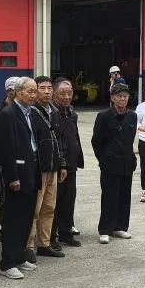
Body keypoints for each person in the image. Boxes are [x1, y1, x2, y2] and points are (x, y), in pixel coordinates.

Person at [0, 77, 41, 280]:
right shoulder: (8, 114)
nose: (33, 95)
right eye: (30, 91)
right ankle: (7, 262)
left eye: (35, 91)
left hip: (31, 171)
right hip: (17, 175)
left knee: (26, 218)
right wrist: (12, 176)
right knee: (13, 220)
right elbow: (6, 149)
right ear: (18, 92)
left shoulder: (30, 112)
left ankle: (20, 255)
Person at [27, 76, 67, 260]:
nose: (46, 91)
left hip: (53, 168)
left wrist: (62, 164)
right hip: (38, 169)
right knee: (34, 210)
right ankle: (29, 246)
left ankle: (44, 244)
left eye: (49, 88)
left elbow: (59, 141)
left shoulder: (55, 112)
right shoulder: (31, 112)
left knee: (49, 207)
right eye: (42, 88)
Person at [92, 83, 137, 245]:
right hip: (110, 164)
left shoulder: (133, 116)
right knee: (109, 197)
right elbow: (96, 141)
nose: (122, 99)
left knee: (124, 196)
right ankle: (105, 230)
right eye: (119, 96)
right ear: (112, 98)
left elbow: (130, 139)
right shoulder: (103, 116)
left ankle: (120, 227)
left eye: (125, 96)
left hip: (127, 163)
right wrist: (103, 160)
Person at [51, 78, 84, 248]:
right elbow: (57, 141)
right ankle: (51, 236)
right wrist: (62, 164)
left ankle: (66, 233)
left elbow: (74, 138)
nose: (67, 96)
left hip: (71, 164)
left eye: (69, 93)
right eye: (62, 93)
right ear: (54, 94)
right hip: (58, 165)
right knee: (54, 202)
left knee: (69, 200)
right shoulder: (51, 113)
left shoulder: (72, 112)